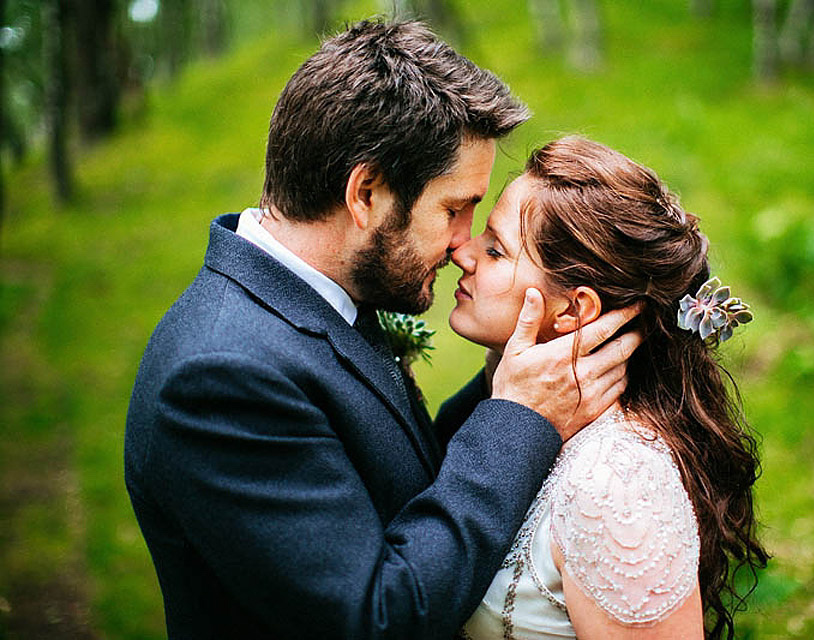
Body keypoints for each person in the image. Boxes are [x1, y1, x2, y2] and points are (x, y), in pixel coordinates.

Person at [124, 22, 640, 640]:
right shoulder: (221, 378)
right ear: (366, 193)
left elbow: (394, 472)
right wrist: (521, 419)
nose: (461, 245)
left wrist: (517, 378)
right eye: (453, 209)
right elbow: (378, 616)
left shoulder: (321, 296)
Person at [450, 136, 770, 640]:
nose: (462, 253)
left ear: (574, 310)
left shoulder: (617, 485)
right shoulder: (509, 409)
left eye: (495, 249)